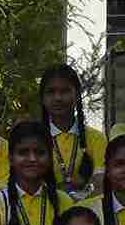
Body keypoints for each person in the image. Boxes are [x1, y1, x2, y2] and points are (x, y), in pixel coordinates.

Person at [38, 63, 106, 193]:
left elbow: (100, 185)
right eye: (51, 92)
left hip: (87, 205)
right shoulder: (34, 138)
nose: (58, 98)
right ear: (42, 98)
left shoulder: (96, 138)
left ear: (78, 95)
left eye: (65, 91)